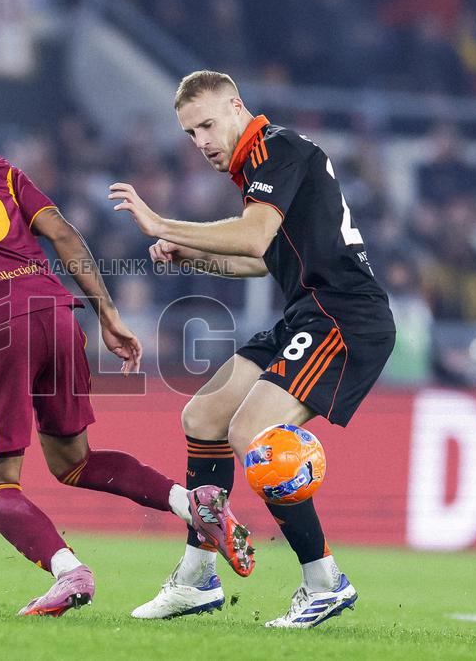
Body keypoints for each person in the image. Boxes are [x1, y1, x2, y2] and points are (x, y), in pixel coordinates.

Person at [0, 99, 255, 617]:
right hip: (55, 314)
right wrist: (108, 314)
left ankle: (69, 572)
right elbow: (64, 234)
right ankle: (192, 502)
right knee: (74, 461)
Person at [109, 71, 396, 628]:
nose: (201, 141)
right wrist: (191, 256)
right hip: (305, 314)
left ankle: (325, 582)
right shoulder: (257, 165)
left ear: (236, 106)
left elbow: (253, 235)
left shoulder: (276, 148)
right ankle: (196, 579)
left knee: (253, 434)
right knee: (204, 416)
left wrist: (162, 223)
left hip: (344, 316)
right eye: (191, 133)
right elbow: (264, 260)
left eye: (207, 124)